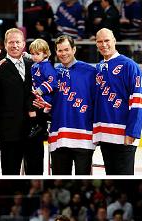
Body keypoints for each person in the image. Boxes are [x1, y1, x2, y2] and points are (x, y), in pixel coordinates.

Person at [0, 28, 44, 175]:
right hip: (9, 132)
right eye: (11, 42)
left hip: (34, 130)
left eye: (18, 42)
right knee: (10, 174)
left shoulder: (34, 64)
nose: (14, 45)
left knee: (36, 174)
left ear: (23, 44)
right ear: (5, 44)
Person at [93, 28, 142, 175]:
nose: (103, 44)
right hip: (105, 135)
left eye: (106, 40)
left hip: (124, 136)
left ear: (114, 41)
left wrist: (133, 131)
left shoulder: (129, 66)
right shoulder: (98, 68)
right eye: (99, 41)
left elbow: (139, 102)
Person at [46, 35, 96, 175]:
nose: (63, 53)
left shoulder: (90, 72)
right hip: (59, 138)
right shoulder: (52, 74)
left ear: (74, 49)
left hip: (84, 138)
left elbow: (97, 102)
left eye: (66, 49)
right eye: (60, 50)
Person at [29, 38, 57, 138]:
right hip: (39, 96)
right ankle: (39, 126)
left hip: (46, 97)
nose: (34, 56)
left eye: (37, 54)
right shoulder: (36, 65)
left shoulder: (46, 66)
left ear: (45, 54)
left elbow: (53, 82)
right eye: (32, 54)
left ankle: (38, 126)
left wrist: (39, 91)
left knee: (30, 104)